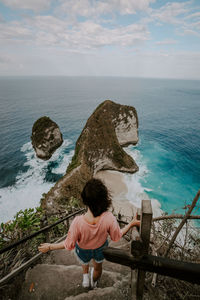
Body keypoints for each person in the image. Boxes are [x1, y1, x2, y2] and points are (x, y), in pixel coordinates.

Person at [38, 178, 140, 288]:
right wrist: (131, 224)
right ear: (104, 199)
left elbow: (69, 244)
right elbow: (116, 237)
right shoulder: (109, 218)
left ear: (85, 201)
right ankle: (94, 282)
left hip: (82, 249)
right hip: (100, 249)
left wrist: (50, 247)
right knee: (97, 268)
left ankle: (85, 277)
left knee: (84, 262)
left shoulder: (77, 222)